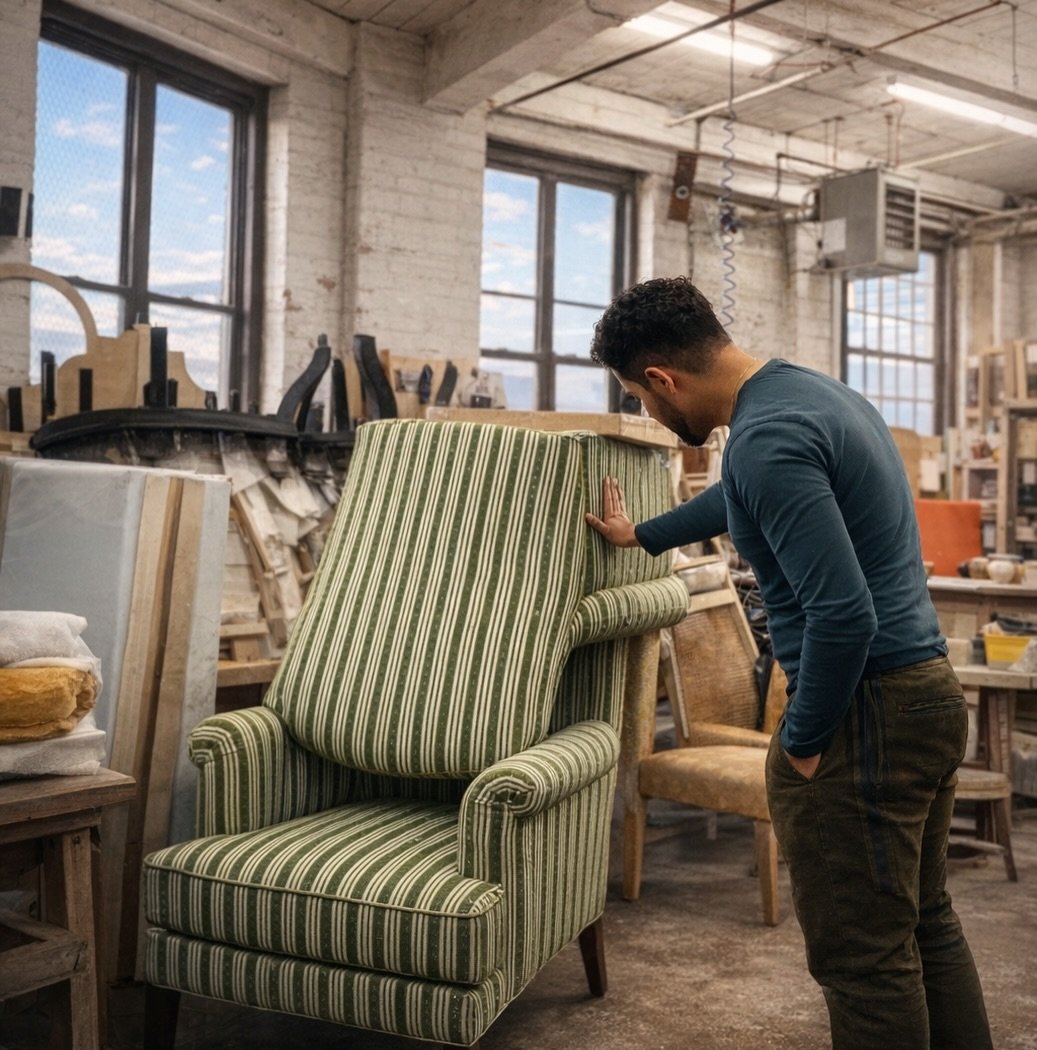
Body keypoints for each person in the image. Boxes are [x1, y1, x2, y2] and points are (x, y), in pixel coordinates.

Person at [584, 275, 993, 1050]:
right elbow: (738, 497)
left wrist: (802, 740)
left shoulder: (766, 438)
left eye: (639, 398)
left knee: (862, 961)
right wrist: (642, 534)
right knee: (922, 922)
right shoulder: (807, 397)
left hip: (863, 712)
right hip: (922, 695)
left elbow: (843, 615)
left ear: (662, 379)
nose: (648, 415)